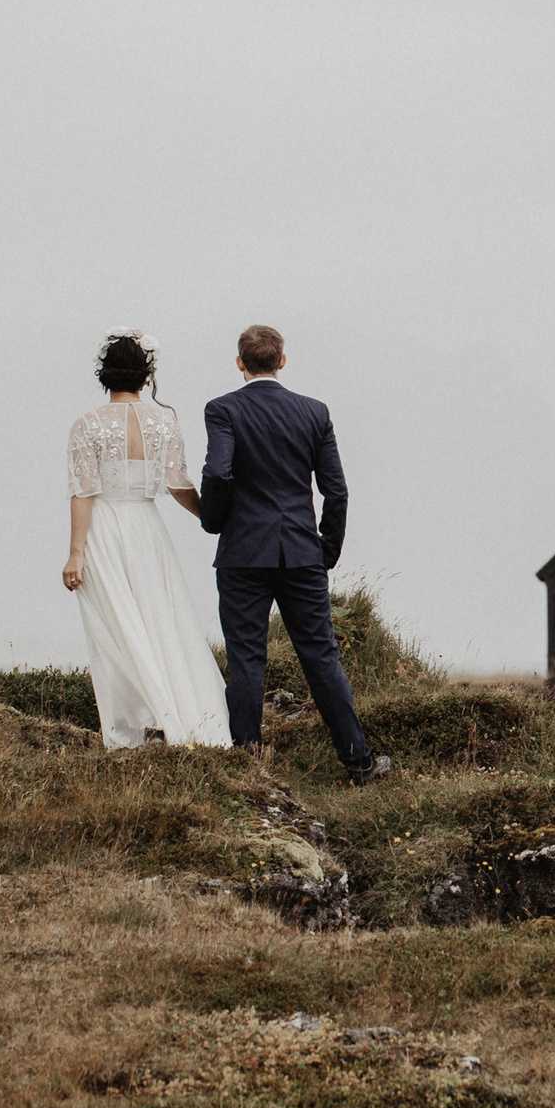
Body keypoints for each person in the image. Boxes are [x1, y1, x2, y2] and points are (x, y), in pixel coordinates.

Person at [201, 324, 390, 786]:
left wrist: (213, 520)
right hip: (302, 553)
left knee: (247, 658)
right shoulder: (314, 412)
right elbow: (337, 492)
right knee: (321, 658)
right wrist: (326, 549)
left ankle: (248, 765)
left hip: (243, 554)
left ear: (240, 363)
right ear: (282, 361)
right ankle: (359, 763)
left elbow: (219, 473)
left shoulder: (222, 409)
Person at [61, 333, 232, 747]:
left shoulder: (87, 424)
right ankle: (167, 715)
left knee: (115, 627)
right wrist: (215, 518)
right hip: (147, 529)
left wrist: (75, 554)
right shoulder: (164, 422)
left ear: (105, 374)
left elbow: (84, 491)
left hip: (105, 529)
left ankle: (136, 725)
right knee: (160, 620)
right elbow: (178, 485)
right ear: (145, 375)